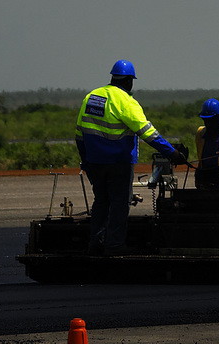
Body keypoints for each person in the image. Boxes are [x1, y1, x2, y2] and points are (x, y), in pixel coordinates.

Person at [74, 60, 186, 254]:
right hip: (118, 163)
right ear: (129, 81)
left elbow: (79, 134)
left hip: (94, 162)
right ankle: (114, 245)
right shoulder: (126, 102)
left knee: (101, 201)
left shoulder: (92, 97)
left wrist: (86, 161)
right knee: (119, 204)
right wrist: (173, 153)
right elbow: (148, 133)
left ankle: (96, 243)